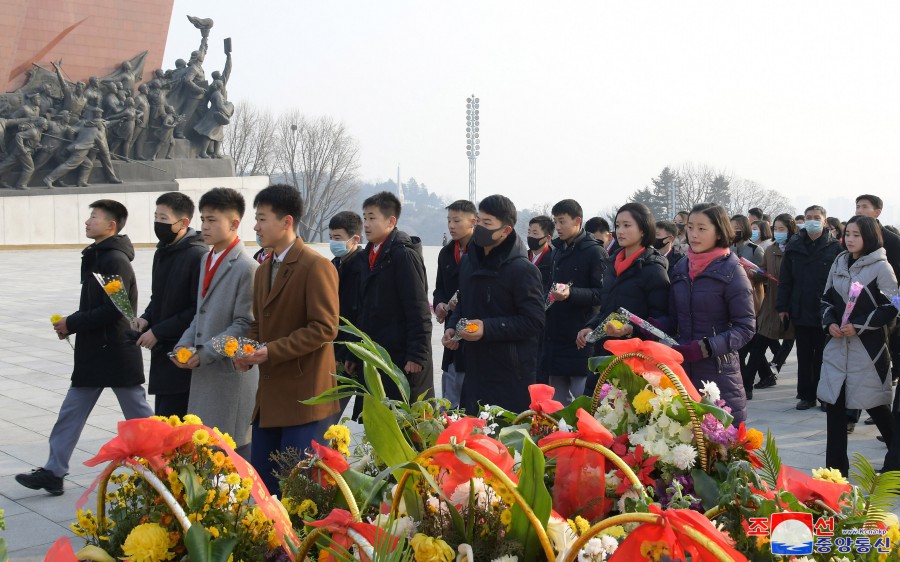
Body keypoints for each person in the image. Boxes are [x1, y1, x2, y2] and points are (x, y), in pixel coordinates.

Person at [16, 200, 153, 495]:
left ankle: (167, 464)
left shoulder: (114, 260)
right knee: (71, 412)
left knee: (140, 417)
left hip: (115, 352)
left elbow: (116, 310)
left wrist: (71, 322)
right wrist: (73, 324)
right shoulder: (98, 256)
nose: (87, 222)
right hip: (97, 353)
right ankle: (54, 471)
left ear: (111, 225)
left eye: (94, 217)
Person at [232, 184, 340, 494]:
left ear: (286, 222)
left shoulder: (315, 266)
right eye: (257, 218)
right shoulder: (264, 268)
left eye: (262, 218)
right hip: (269, 398)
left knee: (299, 491)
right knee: (266, 487)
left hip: (304, 397)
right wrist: (246, 350)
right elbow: (259, 325)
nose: (256, 226)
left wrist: (269, 352)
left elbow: (324, 328)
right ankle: (272, 544)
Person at [174, 188, 258, 453]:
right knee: (205, 450)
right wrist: (183, 346)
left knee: (231, 453)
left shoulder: (247, 266)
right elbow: (200, 314)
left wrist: (206, 352)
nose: (204, 226)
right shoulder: (205, 259)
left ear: (234, 224)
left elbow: (245, 324)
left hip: (227, 373)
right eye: (203, 219)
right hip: (203, 370)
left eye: (212, 220)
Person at [443, 194, 544, 414]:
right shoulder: (470, 262)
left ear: (506, 230)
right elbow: (463, 302)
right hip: (475, 367)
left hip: (510, 373)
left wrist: (487, 329)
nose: (480, 227)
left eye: (487, 223)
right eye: (479, 221)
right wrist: (452, 327)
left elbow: (534, 321)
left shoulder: (522, 270)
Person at [819, 215, 897, 476]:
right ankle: (834, 472)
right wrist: (829, 322)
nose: (849, 239)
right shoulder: (839, 261)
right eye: (847, 234)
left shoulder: (881, 267)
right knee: (835, 408)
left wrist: (860, 325)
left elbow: (892, 306)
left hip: (868, 350)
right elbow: (826, 298)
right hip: (838, 347)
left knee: (877, 407)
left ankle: (895, 460)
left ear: (870, 237)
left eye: (856, 235)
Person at [668, 203, 755, 424]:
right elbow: (673, 318)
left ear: (719, 232)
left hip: (718, 375)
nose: (693, 234)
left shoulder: (732, 271)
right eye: (689, 227)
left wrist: (705, 347)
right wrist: (646, 326)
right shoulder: (680, 268)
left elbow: (745, 328)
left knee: (719, 446)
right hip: (682, 372)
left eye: (701, 228)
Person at [578, 203, 670, 398]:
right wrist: (591, 327)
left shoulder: (653, 269)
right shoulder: (612, 265)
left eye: (627, 225)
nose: (620, 231)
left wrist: (630, 329)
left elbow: (662, 321)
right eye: (618, 225)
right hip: (604, 354)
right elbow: (606, 310)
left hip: (635, 362)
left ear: (644, 230)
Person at [356, 191, 434, 402]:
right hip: (377, 355)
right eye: (364, 218)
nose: (366, 224)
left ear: (391, 221)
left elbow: (418, 309)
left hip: (401, 357)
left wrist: (417, 355)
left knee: (403, 425)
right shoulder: (367, 256)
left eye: (372, 218)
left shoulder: (403, 256)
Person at [133, 193, 207, 417]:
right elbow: (159, 297)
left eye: (163, 219)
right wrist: (146, 319)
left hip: (182, 353)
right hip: (162, 351)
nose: (158, 223)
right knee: (165, 420)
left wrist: (158, 331)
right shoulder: (162, 251)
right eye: (156, 217)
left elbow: (197, 309)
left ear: (183, 223)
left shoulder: (197, 255)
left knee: (179, 423)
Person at [540, 199, 607, 404]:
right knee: (555, 405)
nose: (558, 227)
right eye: (555, 222)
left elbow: (603, 294)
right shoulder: (557, 250)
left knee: (583, 402)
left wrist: (572, 293)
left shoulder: (594, 251)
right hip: (555, 335)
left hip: (581, 336)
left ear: (578, 221)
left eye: (562, 221)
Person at [777, 205, 842, 411]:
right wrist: (782, 307)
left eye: (816, 217)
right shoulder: (794, 245)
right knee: (804, 355)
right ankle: (806, 395)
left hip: (825, 309)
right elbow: (785, 279)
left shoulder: (835, 247)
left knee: (823, 355)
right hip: (800, 306)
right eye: (808, 217)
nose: (812, 221)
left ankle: (824, 395)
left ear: (824, 221)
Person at [742, 214, 798, 395]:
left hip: (792, 304)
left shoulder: (797, 249)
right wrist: (754, 273)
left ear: (791, 230)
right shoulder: (771, 249)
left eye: (782, 229)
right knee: (758, 344)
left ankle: (806, 389)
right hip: (771, 302)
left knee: (795, 342)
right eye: (776, 229)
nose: (778, 233)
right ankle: (747, 385)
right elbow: (764, 271)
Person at [433, 200, 477, 409]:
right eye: (449, 220)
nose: (451, 225)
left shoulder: (481, 252)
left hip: (475, 329)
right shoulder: (446, 253)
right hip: (450, 329)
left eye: (457, 220)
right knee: (450, 382)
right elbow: (439, 287)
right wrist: (440, 303)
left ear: (473, 222)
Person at [328, 210, 366, 415]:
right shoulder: (334, 264)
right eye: (331, 238)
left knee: (331, 412)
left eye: (338, 238)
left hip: (347, 354)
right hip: (331, 348)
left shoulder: (363, 267)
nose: (333, 243)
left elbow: (359, 315)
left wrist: (347, 354)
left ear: (355, 239)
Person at [526, 215, 554, 291]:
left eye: (535, 233)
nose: (530, 236)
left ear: (547, 238)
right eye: (529, 232)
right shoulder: (522, 256)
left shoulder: (553, 261)